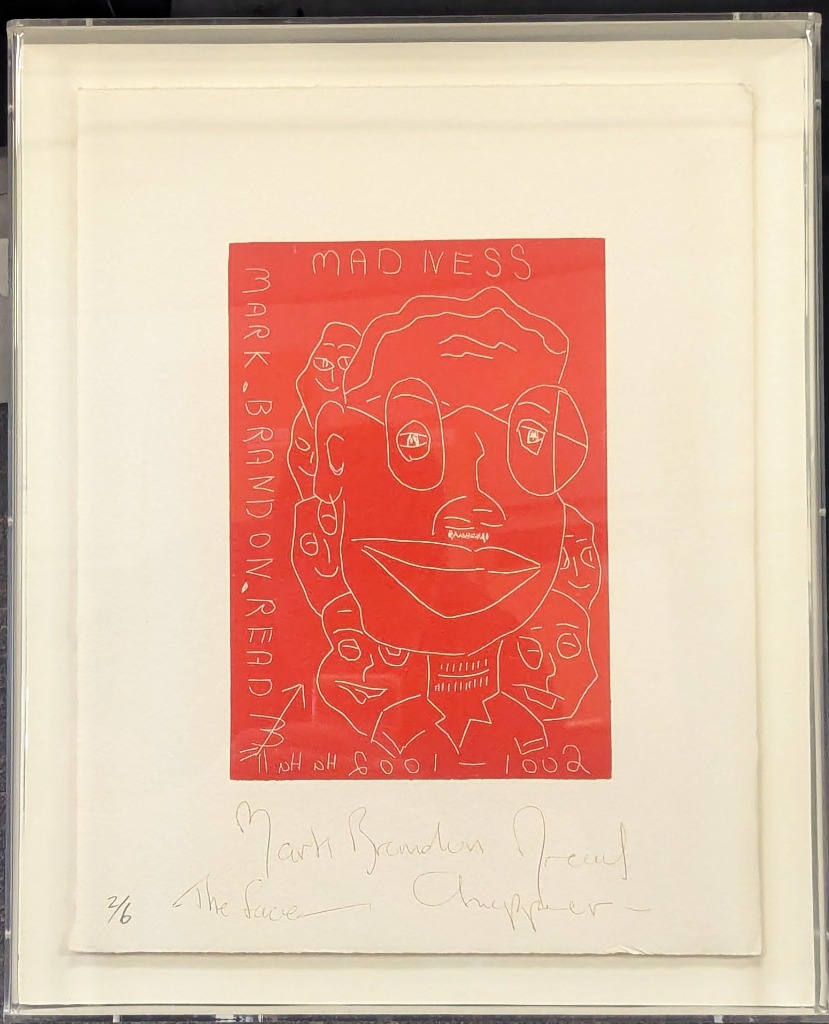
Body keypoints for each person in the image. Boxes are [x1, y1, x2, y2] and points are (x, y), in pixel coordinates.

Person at [288, 286, 599, 759]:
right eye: (413, 439)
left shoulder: (541, 726)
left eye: (531, 438)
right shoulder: (339, 727)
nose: (474, 505)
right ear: (336, 465)